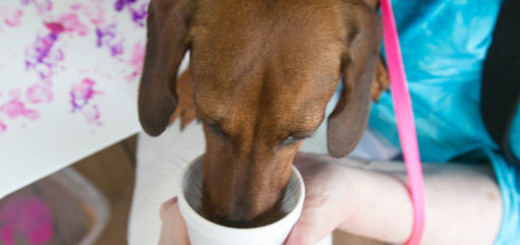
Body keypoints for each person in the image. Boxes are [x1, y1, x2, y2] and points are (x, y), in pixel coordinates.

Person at [156, 0, 520, 244]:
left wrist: (352, 197)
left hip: (438, 165)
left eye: (291, 134)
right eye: (216, 124)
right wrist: (209, 67)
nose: (240, 209)